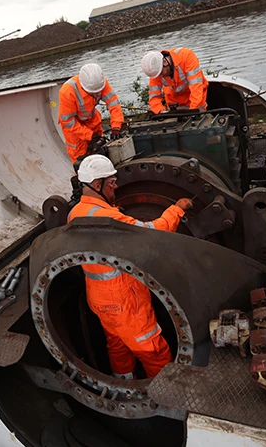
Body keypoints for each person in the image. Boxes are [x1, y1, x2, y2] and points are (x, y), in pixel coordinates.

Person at [68, 154, 194, 379]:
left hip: (98, 299)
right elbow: (152, 232)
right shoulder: (110, 219)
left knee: (118, 346)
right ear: (97, 185)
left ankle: (125, 388)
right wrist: (178, 208)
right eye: (112, 183)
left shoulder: (75, 213)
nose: (115, 187)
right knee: (153, 350)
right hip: (124, 301)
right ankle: (165, 395)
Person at [58, 63, 124, 164]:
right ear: (83, 86)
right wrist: (89, 135)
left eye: (98, 91)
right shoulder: (67, 92)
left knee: (100, 152)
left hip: (92, 121)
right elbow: (68, 122)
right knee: (81, 161)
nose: (96, 94)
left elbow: (114, 104)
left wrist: (116, 127)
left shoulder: (100, 83)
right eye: (92, 92)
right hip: (74, 130)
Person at [140, 48, 208, 114]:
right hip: (174, 103)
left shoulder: (186, 56)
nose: (160, 76)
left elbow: (196, 88)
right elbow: (154, 97)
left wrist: (194, 109)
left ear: (165, 62)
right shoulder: (156, 70)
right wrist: (161, 111)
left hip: (196, 99)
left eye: (161, 73)